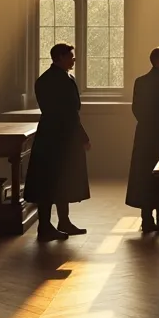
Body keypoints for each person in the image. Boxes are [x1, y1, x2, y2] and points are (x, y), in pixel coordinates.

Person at [24, 43, 92, 242]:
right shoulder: (58, 80)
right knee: (52, 182)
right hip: (59, 138)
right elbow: (67, 112)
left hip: (52, 135)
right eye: (71, 56)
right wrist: (82, 136)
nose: (74, 60)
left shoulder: (49, 79)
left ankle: (62, 222)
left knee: (57, 181)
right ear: (60, 57)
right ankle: (46, 226)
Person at [127, 47, 159, 232]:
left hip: (146, 134)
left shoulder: (140, 82)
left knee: (144, 175)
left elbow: (136, 108)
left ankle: (146, 218)